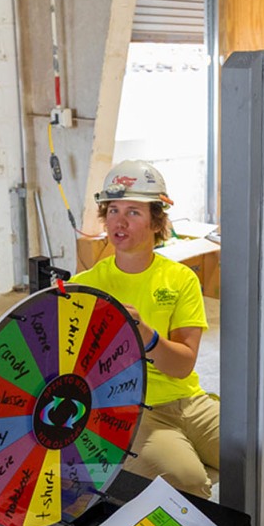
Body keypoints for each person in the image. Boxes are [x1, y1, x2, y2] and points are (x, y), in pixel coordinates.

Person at [71, 160, 218, 499]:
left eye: (133, 212)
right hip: (131, 411)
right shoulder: (86, 287)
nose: (119, 222)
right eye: (113, 210)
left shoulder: (180, 279)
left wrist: (145, 336)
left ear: (156, 221)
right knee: (189, 481)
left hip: (189, 401)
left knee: (254, 457)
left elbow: (182, 365)